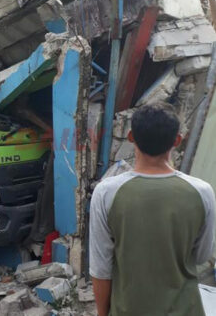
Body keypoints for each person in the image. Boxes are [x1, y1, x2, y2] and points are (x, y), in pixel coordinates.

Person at [90, 102, 216, 316]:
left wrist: (103, 313)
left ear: (131, 137)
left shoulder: (106, 192)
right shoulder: (202, 192)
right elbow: (202, 255)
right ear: (177, 140)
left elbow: (101, 269)